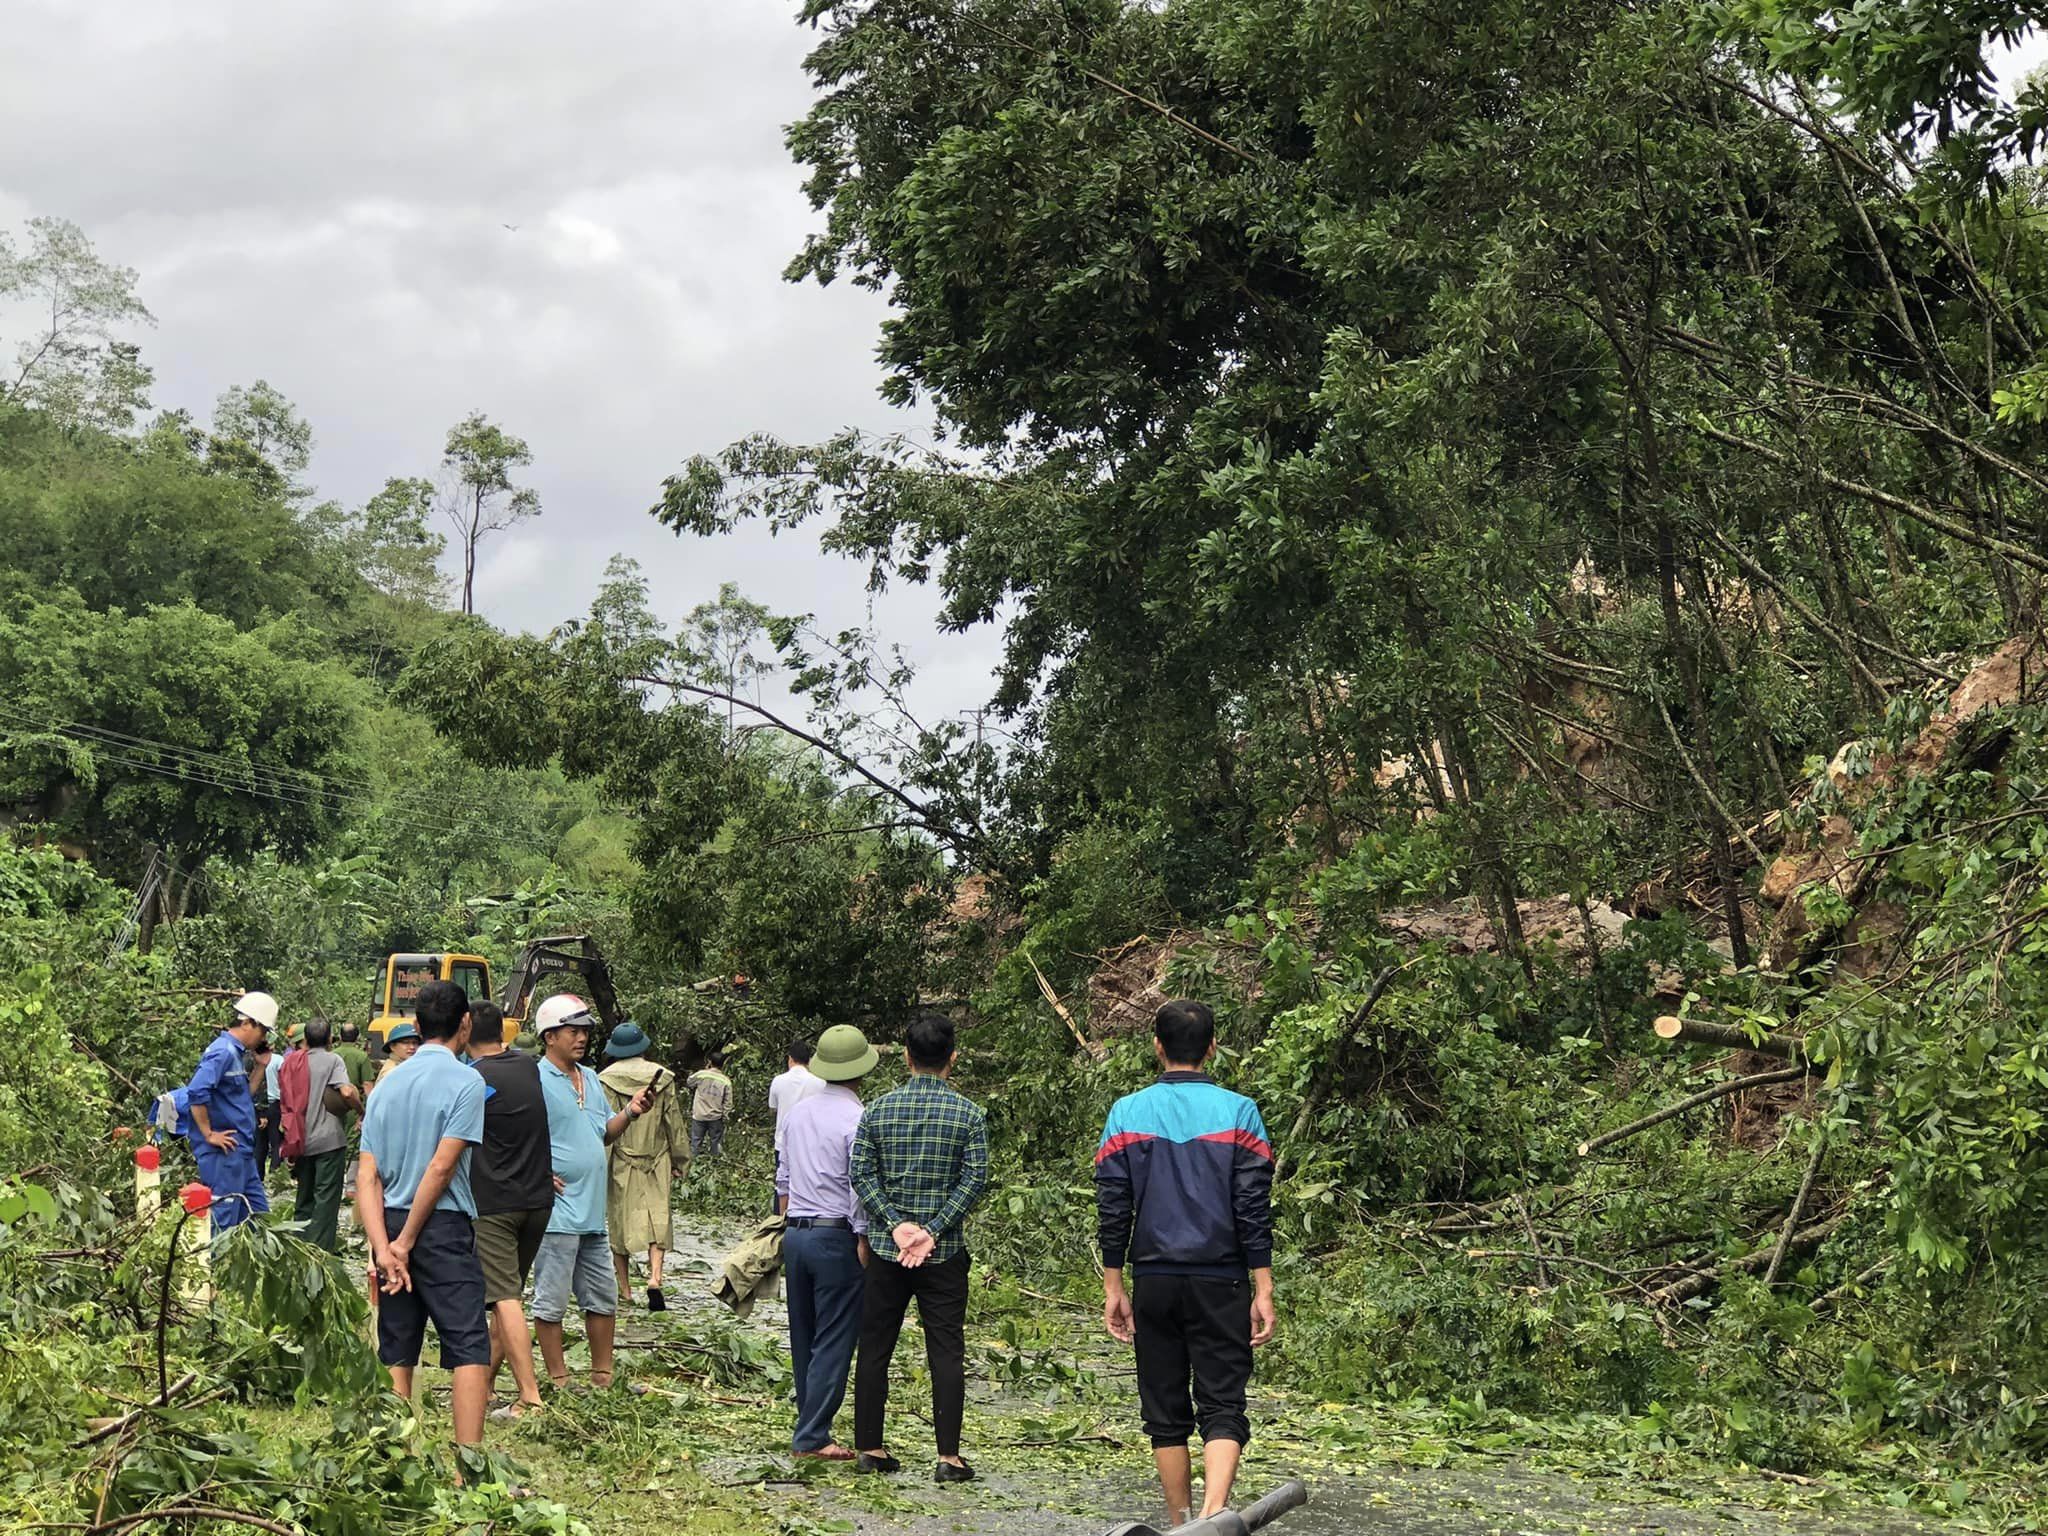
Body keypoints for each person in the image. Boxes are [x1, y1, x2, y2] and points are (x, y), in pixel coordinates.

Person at [1095, 1000, 1275, 1527]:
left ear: (1157, 1047)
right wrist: (1262, 1286)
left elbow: (1113, 1205)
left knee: (1164, 1408)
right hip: (1221, 1279)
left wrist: (1114, 1284)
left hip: (1153, 1278)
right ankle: (1216, 1517)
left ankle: (1180, 1521)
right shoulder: (1240, 1111)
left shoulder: (1127, 1112)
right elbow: (1252, 1208)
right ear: (1212, 1047)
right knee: (1223, 1400)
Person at [851, 1014, 990, 1484]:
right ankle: (948, 1457)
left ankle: (870, 1446)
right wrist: (933, 1229)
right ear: (953, 1057)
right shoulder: (969, 1114)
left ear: (906, 1055)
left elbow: (861, 1175)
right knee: (946, 1350)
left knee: (874, 1347)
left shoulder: (877, 1110)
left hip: (888, 1254)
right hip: (944, 1253)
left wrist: (893, 1225)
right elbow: (975, 1178)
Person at [356, 980, 490, 1449]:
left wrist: (383, 1247)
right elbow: (442, 1166)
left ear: (416, 1025)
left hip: (388, 1225)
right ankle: (468, 1464)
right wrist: (407, 1242)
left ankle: (395, 1456)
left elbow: (366, 1178)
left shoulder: (387, 1087)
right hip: (439, 1229)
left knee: (397, 1343)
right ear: (465, 1024)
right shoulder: (468, 1082)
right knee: (469, 1343)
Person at [533, 993, 653, 1391]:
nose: (581, 1037)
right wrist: (534, 1171)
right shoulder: (535, 1079)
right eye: (572, 1030)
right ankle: (559, 1380)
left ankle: (602, 1376)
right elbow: (513, 1135)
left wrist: (632, 1112)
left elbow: (604, 1131)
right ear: (549, 1036)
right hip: (556, 1214)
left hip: (591, 1214)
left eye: (584, 1031)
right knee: (550, 1301)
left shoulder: (589, 1078)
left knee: (602, 1298)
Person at [778, 1024, 879, 1462]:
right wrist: (863, 1234)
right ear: (862, 1071)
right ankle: (812, 1436)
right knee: (835, 1336)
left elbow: (782, 1171)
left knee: (803, 1334)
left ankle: (809, 1421)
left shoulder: (798, 1112)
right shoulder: (859, 1118)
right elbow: (859, 1185)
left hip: (796, 1232)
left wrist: (783, 1218)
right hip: (835, 1234)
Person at [467, 1000, 553, 1421]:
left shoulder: (472, 1080)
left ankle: (529, 1396)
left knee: (504, 1298)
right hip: (538, 1200)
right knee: (507, 1299)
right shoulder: (527, 1067)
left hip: (496, 1204)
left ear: (465, 1031)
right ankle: (482, 1389)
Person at [598, 1023, 689, 1311]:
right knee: (657, 1217)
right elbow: (673, 1122)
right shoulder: (663, 1078)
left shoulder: (605, 1080)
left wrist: (598, 1166)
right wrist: (680, 1160)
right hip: (657, 1156)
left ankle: (624, 1290)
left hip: (623, 1157)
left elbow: (605, 1124)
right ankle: (655, 1277)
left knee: (619, 1220)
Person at [180, 992, 276, 1233]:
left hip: (242, 1153)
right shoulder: (222, 1052)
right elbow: (196, 1092)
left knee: (258, 1217)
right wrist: (209, 1133)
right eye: (262, 1030)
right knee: (223, 1220)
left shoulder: (235, 1054)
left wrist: (261, 1066)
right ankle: (211, 1267)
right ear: (246, 1023)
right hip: (224, 1154)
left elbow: (242, 1095)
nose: (262, 1037)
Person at [292, 1017, 359, 1252]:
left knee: (304, 1195)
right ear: (331, 1038)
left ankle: (299, 1246)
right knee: (326, 1199)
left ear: (306, 1040)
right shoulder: (333, 1060)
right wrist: (361, 1111)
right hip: (329, 1139)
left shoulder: (293, 1062)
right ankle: (319, 1254)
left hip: (299, 1138)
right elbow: (347, 1092)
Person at [769, 1038, 825, 1210]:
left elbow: (773, 1108)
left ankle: (780, 1220)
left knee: (782, 1183)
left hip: (782, 1141)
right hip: (810, 1144)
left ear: (790, 1059)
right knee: (806, 1185)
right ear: (809, 1061)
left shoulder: (778, 1080)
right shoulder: (819, 1082)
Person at [686, 1051, 733, 1159]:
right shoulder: (726, 1081)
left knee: (696, 1141)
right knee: (715, 1143)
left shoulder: (701, 1074)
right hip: (715, 1117)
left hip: (699, 1115)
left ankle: (692, 1164)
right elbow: (728, 1102)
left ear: (710, 1062)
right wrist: (725, 1115)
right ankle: (715, 1163)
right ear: (723, 1064)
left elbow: (689, 1082)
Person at [372, 1023, 420, 1094]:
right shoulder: (391, 1072)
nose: (412, 1047)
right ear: (392, 1046)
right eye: (406, 1043)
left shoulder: (406, 1066)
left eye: (415, 1043)